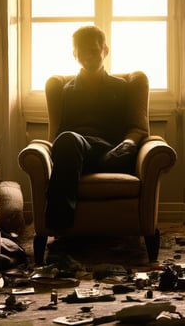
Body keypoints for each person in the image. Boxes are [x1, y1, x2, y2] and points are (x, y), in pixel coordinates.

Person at [45, 25, 148, 230]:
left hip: (112, 152)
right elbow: (61, 133)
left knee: (115, 150)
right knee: (68, 139)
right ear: (74, 54)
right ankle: (59, 228)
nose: (88, 56)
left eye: (93, 50)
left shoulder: (122, 87)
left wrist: (127, 144)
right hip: (80, 152)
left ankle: (59, 225)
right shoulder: (68, 90)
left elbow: (137, 128)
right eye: (81, 51)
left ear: (105, 50)